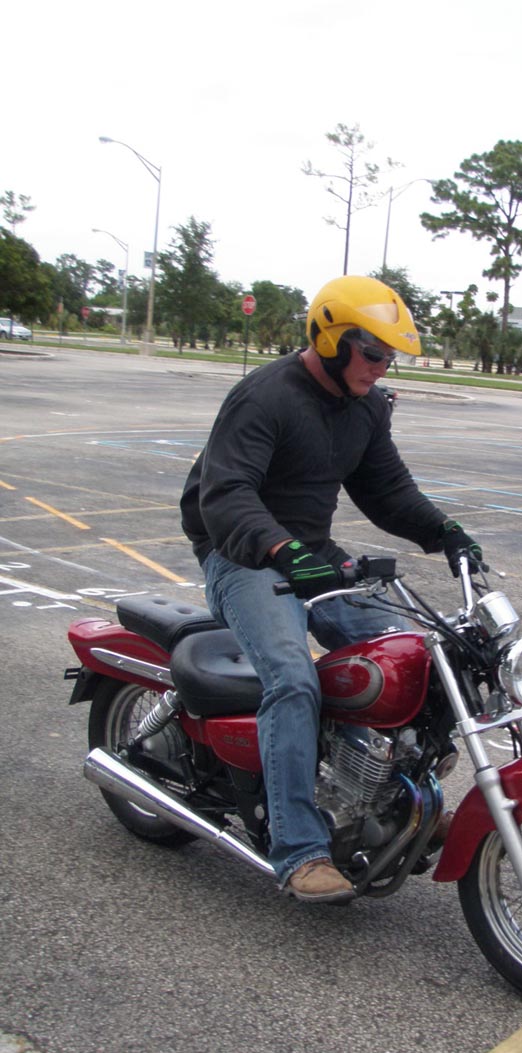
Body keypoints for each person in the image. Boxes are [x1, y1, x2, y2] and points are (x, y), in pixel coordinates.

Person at [180, 276, 483, 902]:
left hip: (311, 554)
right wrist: (280, 549)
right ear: (331, 339)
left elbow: (387, 489)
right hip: (242, 555)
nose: (382, 367)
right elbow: (225, 496)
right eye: (372, 353)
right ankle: (299, 849)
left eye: (389, 357)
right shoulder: (264, 397)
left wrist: (445, 532)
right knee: (293, 678)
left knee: (412, 656)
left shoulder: (366, 408)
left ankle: (398, 803)